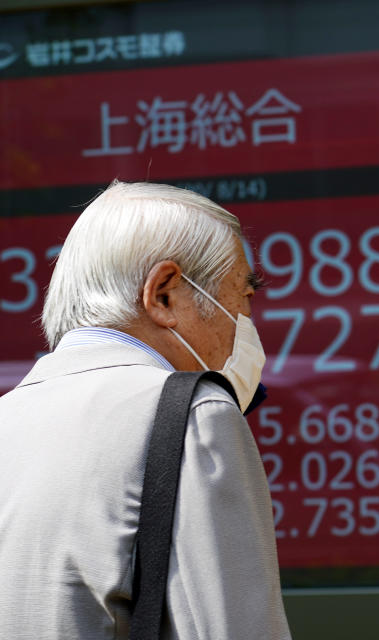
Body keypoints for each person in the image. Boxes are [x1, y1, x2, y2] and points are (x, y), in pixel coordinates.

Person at [0, 181, 291, 639]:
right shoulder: (192, 413)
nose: (246, 322)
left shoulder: (8, 419)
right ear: (164, 295)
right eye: (244, 294)